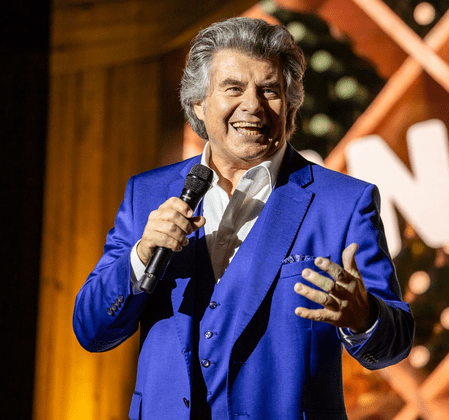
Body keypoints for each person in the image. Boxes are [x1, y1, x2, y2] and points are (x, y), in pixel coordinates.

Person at [73, 17, 414, 420]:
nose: (253, 104)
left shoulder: (344, 202)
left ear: (290, 107)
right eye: (233, 88)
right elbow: (91, 330)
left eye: (269, 90)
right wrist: (141, 255)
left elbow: (394, 344)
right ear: (199, 104)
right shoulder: (146, 193)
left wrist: (365, 317)